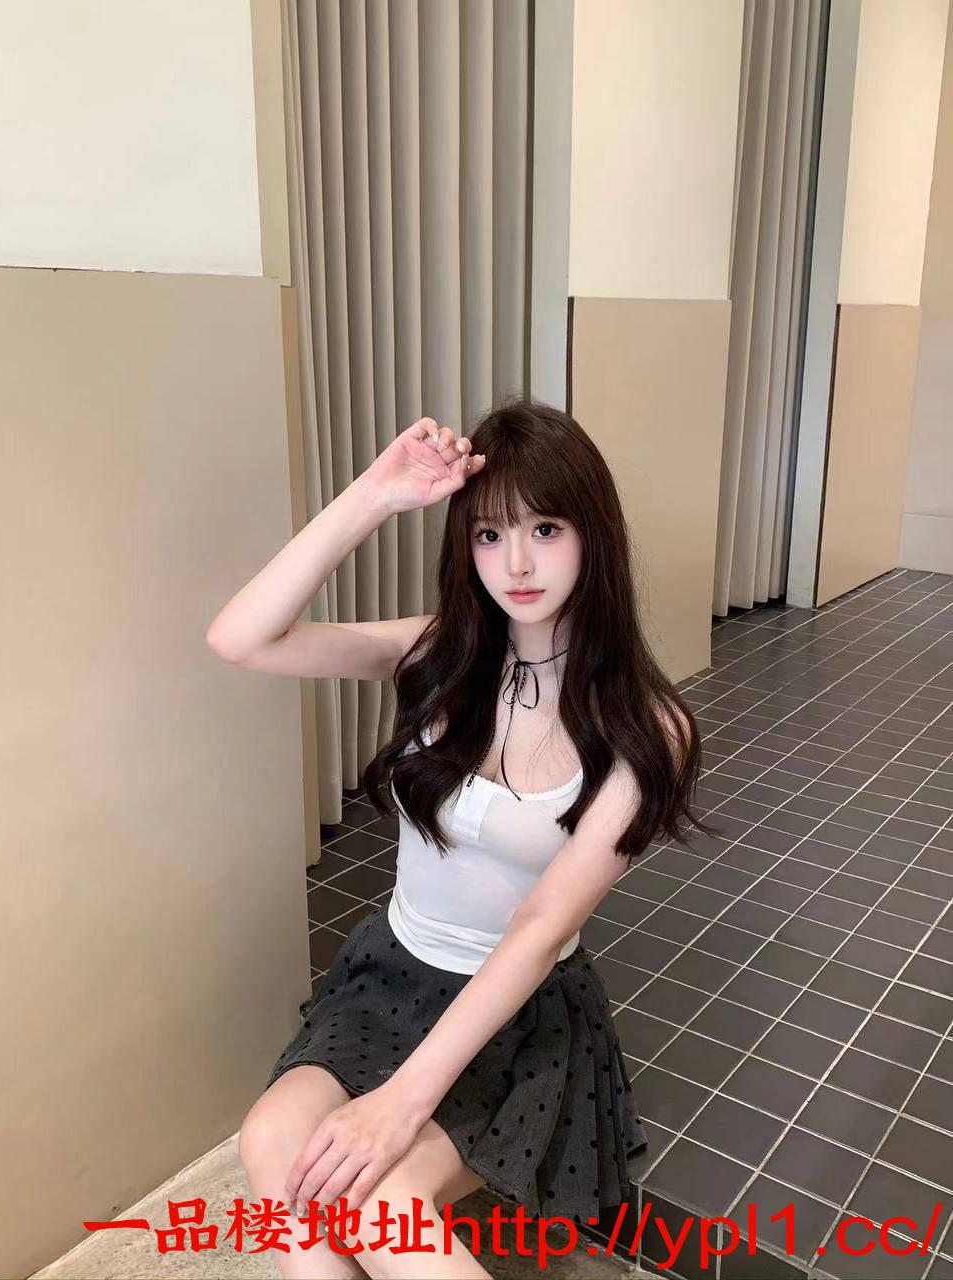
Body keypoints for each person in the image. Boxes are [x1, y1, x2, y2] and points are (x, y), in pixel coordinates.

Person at [206, 399, 712, 1279]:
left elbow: (542, 927)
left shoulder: (644, 726)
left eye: (544, 529)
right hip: (391, 974)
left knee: (381, 1208)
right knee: (273, 1142)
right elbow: (241, 639)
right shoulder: (437, 654)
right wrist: (374, 494)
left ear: (592, 534)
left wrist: (401, 1103)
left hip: (513, 1009)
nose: (515, 563)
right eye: (487, 534)